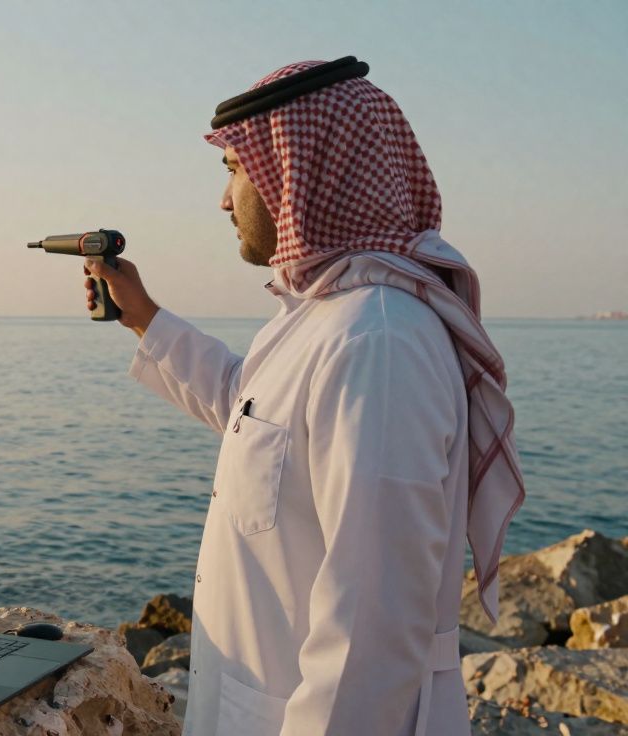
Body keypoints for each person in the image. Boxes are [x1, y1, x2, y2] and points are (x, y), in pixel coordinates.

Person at [84, 57, 524, 736]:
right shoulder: (324, 317)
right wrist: (143, 316)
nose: (224, 201)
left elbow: (369, 636)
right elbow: (248, 408)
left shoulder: (378, 340)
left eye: (233, 169)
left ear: (299, 171)